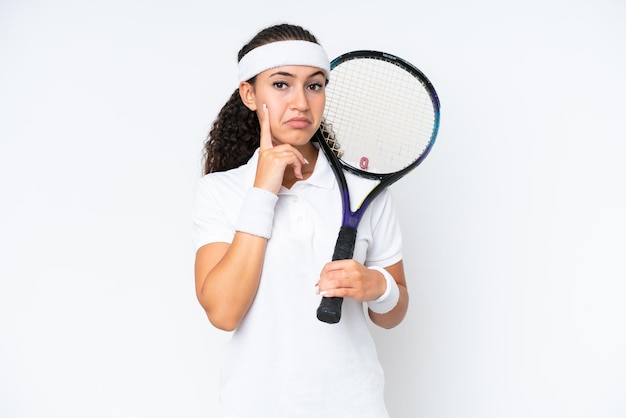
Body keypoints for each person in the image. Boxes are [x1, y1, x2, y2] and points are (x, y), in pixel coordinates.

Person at [192, 23, 409, 417]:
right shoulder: (220, 191)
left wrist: (377, 286)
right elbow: (223, 313)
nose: (300, 103)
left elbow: (394, 312)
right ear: (248, 94)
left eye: (314, 85)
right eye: (280, 85)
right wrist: (262, 193)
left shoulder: (367, 192)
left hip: (355, 405)